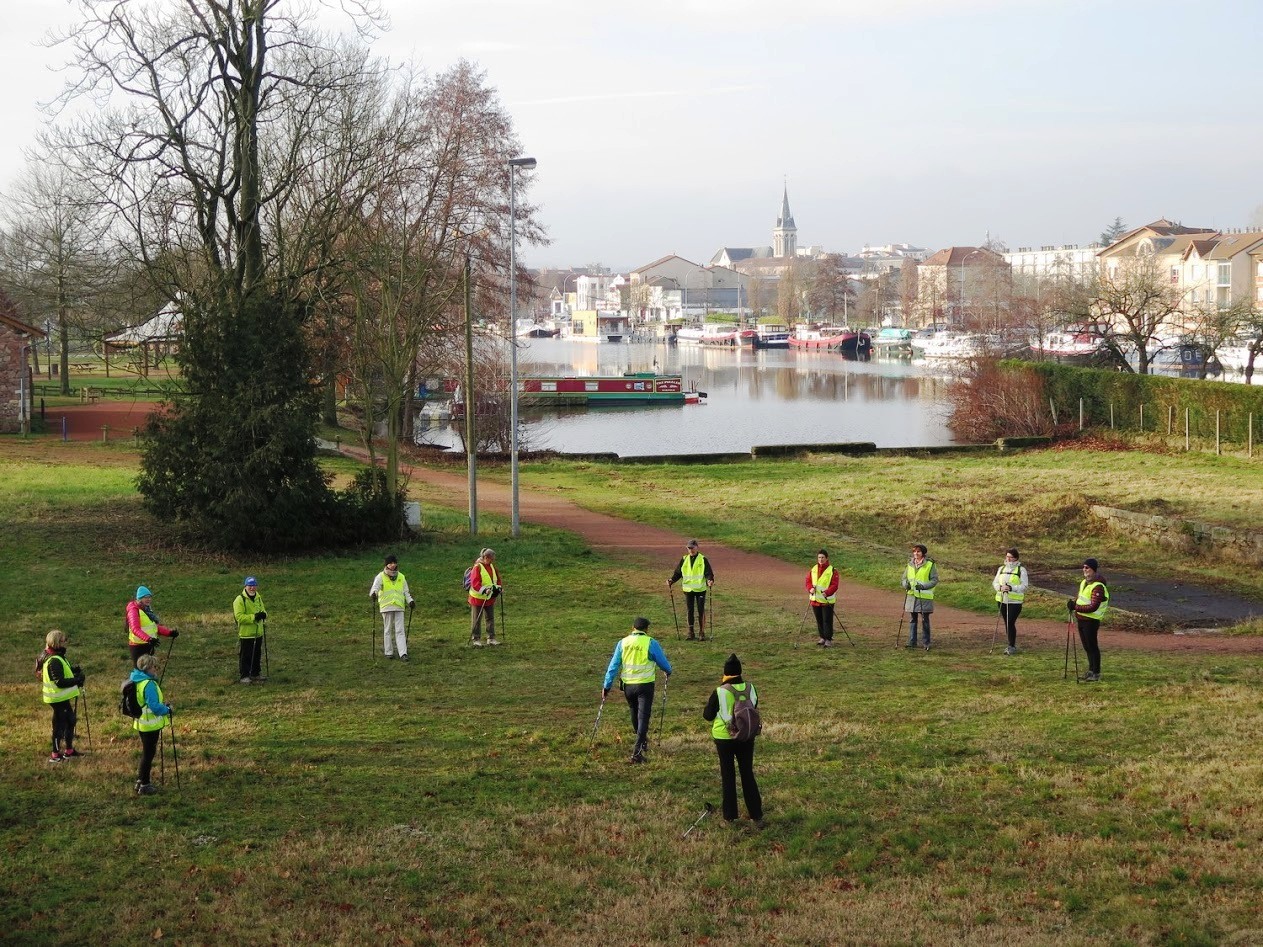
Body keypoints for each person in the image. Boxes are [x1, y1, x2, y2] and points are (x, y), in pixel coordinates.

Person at [702, 653, 764, 827]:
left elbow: (708, 715)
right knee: (747, 773)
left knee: (728, 775)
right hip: (746, 736)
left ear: (725, 673)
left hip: (724, 738)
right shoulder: (751, 688)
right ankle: (756, 815)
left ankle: (729, 817)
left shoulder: (720, 691)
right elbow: (754, 706)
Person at [602, 617, 672, 764]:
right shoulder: (650, 642)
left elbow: (613, 666)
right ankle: (637, 753)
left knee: (634, 712)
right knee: (643, 717)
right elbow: (663, 663)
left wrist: (606, 686)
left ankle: (642, 742)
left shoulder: (623, 643)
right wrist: (667, 670)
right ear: (646, 629)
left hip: (628, 686)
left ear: (633, 628)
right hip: (645, 685)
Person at [130, 653, 172, 795]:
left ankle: (140, 780)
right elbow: (154, 707)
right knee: (148, 755)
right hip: (150, 725)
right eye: (154, 667)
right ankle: (145, 784)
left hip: (142, 723)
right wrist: (167, 709)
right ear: (147, 668)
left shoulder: (137, 680)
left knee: (146, 753)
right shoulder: (149, 684)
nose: (156, 669)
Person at [40, 630, 84, 764]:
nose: (66, 643)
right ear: (57, 643)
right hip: (56, 698)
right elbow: (59, 682)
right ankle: (55, 754)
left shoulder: (58, 656)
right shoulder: (54, 660)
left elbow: (64, 670)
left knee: (70, 721)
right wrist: (77, 680)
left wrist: (75, 671)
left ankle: (69, 751)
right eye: (64, 640)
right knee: (59, 726)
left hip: (60, 698)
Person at [1069, 558, 1110, 682]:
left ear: (1093, 569)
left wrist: (1075, 607)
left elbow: (1093, 606)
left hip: (1091, 620)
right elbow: (1080, 597)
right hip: (1081, 619)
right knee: (1087, 646)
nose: (1084, 569)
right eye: (1083, 567)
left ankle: (1096, 673)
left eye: (1087, 567)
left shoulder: (1098, 587)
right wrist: (1073, 603)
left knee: (1092, 646)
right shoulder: (1084, 582)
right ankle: (1091, 670)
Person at [667, 539, 714, 640]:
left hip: (700, 589)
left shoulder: (702, 559)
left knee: (701, 611)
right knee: (690, 611)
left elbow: (708, 572)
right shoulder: (684, 559)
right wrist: (672, 580)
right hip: (688, 590)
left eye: (692, 548)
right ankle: (691, 632)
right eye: (689, 548)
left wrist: (710, 580)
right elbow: (678, 573)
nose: (691, 550)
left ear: (697, 547)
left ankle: (701, 632)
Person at [370, 555, 415, 660]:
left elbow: (406, 591)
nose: (393, 565)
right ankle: (388, 652)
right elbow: (375, 588)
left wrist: (410, 601)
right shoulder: (380, 576)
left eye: (394, 563)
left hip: (399, 606)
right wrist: (374, 594)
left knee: (400, 630)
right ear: (386, 565)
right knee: (388, 630)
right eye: (390, 563)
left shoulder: (401, 577)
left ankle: (403, 653)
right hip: (386, 606)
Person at [126, 586, 179, 667]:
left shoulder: (147, 610)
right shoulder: (133, 610)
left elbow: (153, 627)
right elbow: (135, 629)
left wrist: (169, 633)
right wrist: (149, 639)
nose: (148, 599)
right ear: (139, 598)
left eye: (149, 597)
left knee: (149, 670)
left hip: (148, 645)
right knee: (141, 671)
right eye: (145, 597)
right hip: (138, 647)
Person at [900, 544, 939, 651]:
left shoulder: (930, 564)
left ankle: (926, 643)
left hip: (924, 596)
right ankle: (912, 641)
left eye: (918, 551)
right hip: (912, 596)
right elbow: (904, 579)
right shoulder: (910, 564)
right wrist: (905, 584)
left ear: (923, 553)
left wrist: (923, 586)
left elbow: (934, 580)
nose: (916, 554)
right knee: (913, 619)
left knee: (925, 620)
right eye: (914, 551)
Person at [992, 548, 1029, 655]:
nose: (1008, 559)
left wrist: (1012, 588)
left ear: (1016, 558)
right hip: (1002, 600)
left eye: (1011, 557)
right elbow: (995, 583)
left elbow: (1024, 586)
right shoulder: (1001, 569)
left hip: (1015, 602)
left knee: (1010, 622)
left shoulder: (1021, 570)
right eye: (1007, 556)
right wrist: (1000, 588)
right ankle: (1010, 644)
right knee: (1007, 622)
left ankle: (1011, 646)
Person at [232, 575, 267, 683]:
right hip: (246, 634)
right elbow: (239, 617)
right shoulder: (239, 600)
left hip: (258, 632)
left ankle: (255, 673)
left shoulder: (258, 598)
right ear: (245, 586)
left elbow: (263, 610)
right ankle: (244, 676)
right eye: (250, 586)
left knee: (257, 654)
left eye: (254, 585)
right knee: (246, 656)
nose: (252, 588)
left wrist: (264, 615)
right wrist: (254, 617)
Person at [805, 549, 840, 647]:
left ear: (827, 558)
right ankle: (822, 637)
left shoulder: (832, 571)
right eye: (819, 557)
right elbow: (808, 581)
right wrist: (810, 588)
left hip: (827, 600)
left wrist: (827, 592)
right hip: (815, 599)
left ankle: (828, 639)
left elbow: (835, 585)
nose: (821, 559)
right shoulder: (813, 569)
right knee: (819, 619)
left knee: (827, 620)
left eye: (822, 557)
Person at [467, 548, 502, 647]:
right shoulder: (477, 567)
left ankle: (491, 638)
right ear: (486, 557)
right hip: (477, 598)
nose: (492, 561)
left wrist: (499, 588)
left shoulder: (492, 566)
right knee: (476, 619)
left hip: (489, 598)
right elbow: (475, 583)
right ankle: (476, 639)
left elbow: (497, 579)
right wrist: (484, 590)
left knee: (490, 618)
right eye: (491, 559)